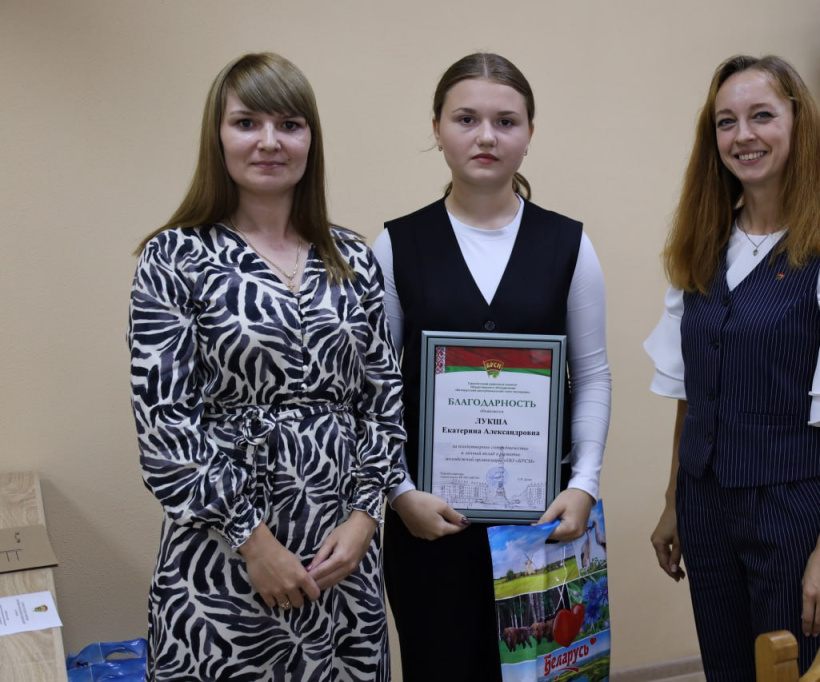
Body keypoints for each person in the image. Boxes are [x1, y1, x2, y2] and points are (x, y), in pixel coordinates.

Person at [645, 55, 820, 680]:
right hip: (705, 506)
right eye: (726, 122)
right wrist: (674, 500)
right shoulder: (703, 243)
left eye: (762, 116)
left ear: (798, 125)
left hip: (795, 511)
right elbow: (693, 390)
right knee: (727, 670)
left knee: (799, 672)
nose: (743, 135)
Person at [128, 52, 405, 681]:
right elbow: (165, 426)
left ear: (311, 139)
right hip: (223, 554)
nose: (270, 141)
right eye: (247, 122)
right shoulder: (174, 257)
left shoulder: (352, 256)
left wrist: (366, 517)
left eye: (290, 124)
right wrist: (253, 543)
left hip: (342, 554)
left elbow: (383, 399)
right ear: (218, 136)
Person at [371, 52, 612, 681]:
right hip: (428, 522)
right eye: (466, 119)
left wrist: (584, 484)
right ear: (436, 129)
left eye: (506, 121)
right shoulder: (396, 244)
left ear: (529, 134)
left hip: (543, 523)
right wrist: (399, 492)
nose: (486, 136)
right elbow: (376, 387)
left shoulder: (569, 244)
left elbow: (592, 376)